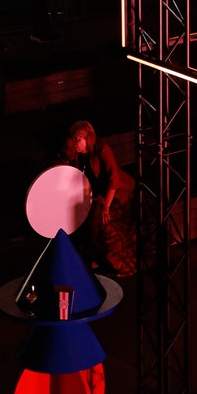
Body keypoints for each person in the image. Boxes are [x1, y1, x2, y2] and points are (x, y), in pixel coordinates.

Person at [58, 118, 135, 277]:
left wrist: (106, 205)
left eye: (77, 139)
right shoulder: (79, 157)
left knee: (97, 223)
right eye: (73, 140)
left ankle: (110, 263)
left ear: (87, 138)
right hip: (95, 196)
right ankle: (89, 259)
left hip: (113, 193)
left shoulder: (102, 150)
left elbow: (114, 179)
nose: (75, 143)